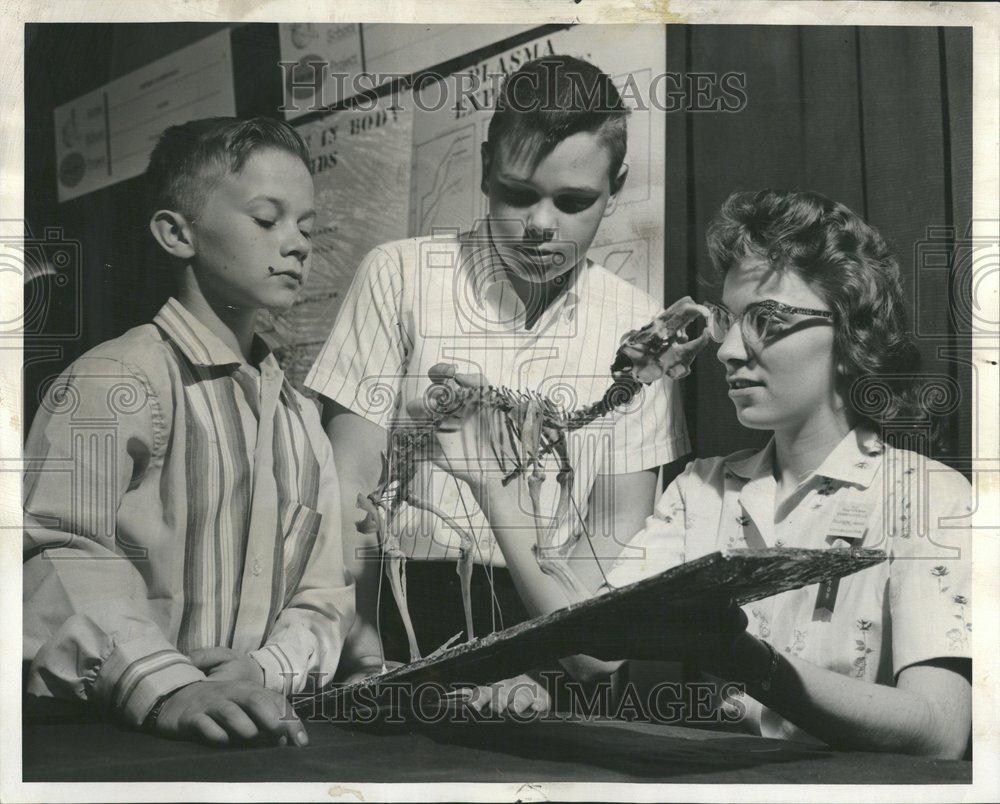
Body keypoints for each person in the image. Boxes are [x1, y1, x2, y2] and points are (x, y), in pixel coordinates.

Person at [419, 189, 972, 757]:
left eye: (767, 319)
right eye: (729, 321)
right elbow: (591, 654)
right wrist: (494, 493)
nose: (729, 349)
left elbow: (940, 730)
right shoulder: (702, 490)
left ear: (850, 329)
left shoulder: (927, 498)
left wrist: (743, 659)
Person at [305, 55, 690, 707]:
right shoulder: (399, 276)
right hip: (395, 627)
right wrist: (362, 657)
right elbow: (347, 490)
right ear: (485, 168)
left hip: (558, 638)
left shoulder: (638, 327)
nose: (541, 226)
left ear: (616, 185)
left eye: (573, 202)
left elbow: (613, 539)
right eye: (518, 193)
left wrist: (547, 674)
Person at [23, 117, 355, 747]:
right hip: (113, 733)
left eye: (306, 227)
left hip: (253, 728)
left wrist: (265, 668)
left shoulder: (299, 418)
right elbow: (53, 550)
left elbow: (324, 591)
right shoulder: (113, 378)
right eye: (267, 219)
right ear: (177, 233)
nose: (298, 244)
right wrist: (167, 683)